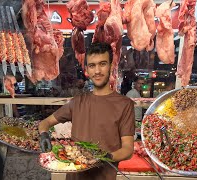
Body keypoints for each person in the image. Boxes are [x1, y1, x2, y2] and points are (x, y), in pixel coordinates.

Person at [38, 42, 135, 180]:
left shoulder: (124, 104)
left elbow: (128, 149)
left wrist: (106, 157)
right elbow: (46, 122)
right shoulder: (77, 102)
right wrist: (43, 135)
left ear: (111, 66)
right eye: (92, 65)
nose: (97, 71)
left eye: (102, 64)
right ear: (87, 70)